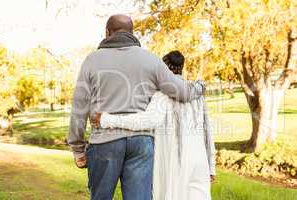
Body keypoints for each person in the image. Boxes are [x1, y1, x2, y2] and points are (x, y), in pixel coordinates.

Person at [67, 15, 205, 200]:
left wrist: (77, 148)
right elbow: (182, 92)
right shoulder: (151, 60)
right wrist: (199, 87)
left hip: (104, 142)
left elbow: (79, 106)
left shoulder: (92, 60)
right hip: (141, 143)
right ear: (132, 33)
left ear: (107, 32)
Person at [92, 50, 216, 200]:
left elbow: (148, 120)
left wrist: (108, 120)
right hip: (199, 163)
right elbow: (207, 131)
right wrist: (211, 166)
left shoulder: (163, 95)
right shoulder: (197, 95)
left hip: (176, 165)